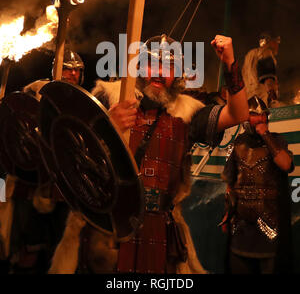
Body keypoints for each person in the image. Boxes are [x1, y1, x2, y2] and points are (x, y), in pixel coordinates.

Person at [49, 34, 249, 274]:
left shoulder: (188, 113)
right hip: (107, 225)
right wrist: (106, 126)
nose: (159, 73)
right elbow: (70, 154)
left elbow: (238, 114)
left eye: (169, 67)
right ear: (139, 65)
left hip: (159, 229)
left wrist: (229, 63)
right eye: (153, 63)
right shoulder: (109, 97)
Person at [0, 48, 84, 274]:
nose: (72, 74)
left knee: (56, 249)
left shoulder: (82, 105)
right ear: (56, 70)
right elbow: (18, 133)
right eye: (67, 69)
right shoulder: (34, 94)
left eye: (77, 71)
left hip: (65, 187)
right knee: (27, 248)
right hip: (31, 181)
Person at [221, 95, 294, 274]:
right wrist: (226, 214)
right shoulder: (237, 144)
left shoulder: (277, 142)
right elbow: (230, 184)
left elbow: (286, 165)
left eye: (264, 115)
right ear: (246, 117)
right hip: (241, 225)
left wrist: (266, 135)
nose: (261, 119)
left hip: (268, 223)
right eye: (255, 115)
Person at [242, 32, 281, 107]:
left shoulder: (250, 54)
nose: (277, 44)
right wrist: (273, 98)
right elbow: (267, 77)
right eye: (277, 41)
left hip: (248, 98)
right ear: (269, 41)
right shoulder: (266, 52)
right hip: (260, 98)